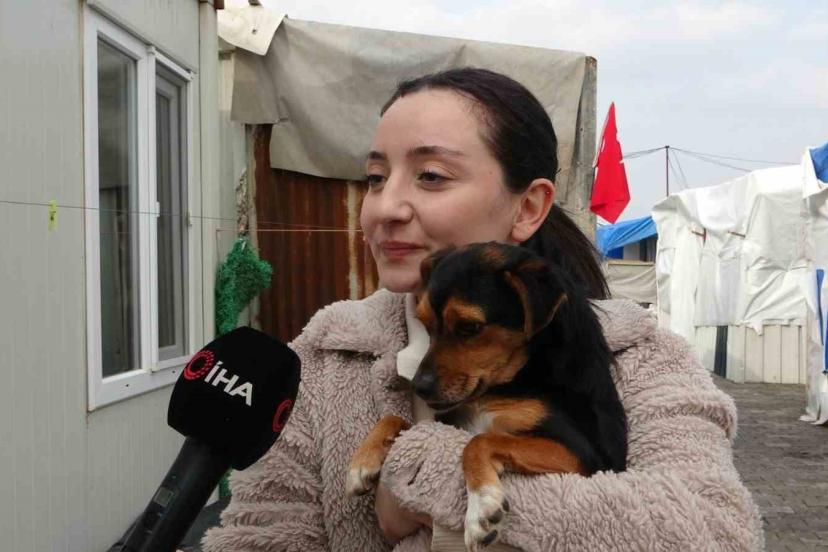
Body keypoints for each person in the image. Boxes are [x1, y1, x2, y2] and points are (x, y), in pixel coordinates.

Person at [201, 68, 763, 552]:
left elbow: (714, 533)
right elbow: (258, 536)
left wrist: (424, 475)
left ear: (529, 206)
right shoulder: (323, 361)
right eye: (375, 178)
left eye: (431, 176)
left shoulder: (642, 359)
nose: (385, 207)